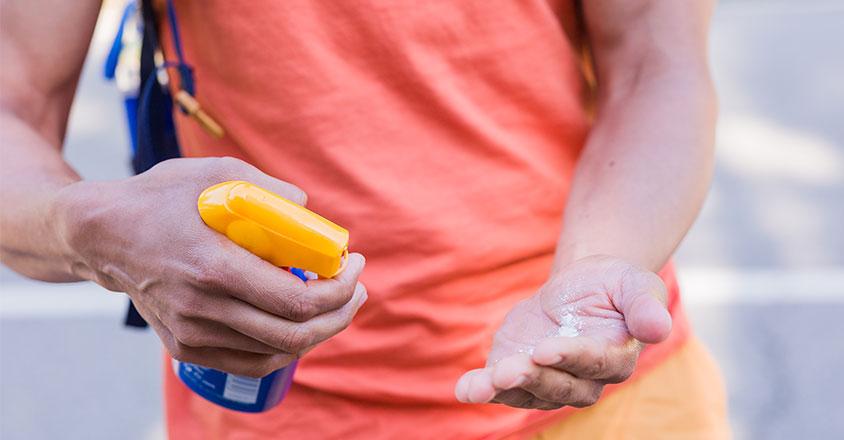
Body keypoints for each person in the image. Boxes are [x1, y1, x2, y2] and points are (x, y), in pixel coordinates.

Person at [0, 0, 729, 438]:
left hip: (615, 408)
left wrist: (599, 266)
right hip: (279, 414)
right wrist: (86, 225)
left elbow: (655, 62)